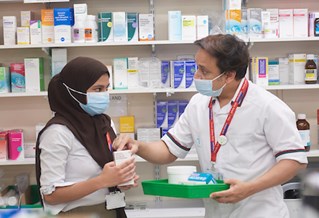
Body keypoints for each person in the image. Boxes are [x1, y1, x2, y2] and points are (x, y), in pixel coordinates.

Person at [113, 34, 308, 218]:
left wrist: (250, 188)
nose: (196, 76)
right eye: (197, 67)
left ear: (229, 75)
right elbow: (168, 150)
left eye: (204, 71)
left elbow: (294, 160)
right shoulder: (199, 103)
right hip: (216, 211)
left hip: (260, 212)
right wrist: (138, 146)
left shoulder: (268, 106)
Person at [35, 57, 138, 218]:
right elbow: (51, 195)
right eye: (97, 89)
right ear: (73, 91)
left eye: (106, 88)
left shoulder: (104, 122)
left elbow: (106, 171)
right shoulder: (58, 132)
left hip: (111, 209)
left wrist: (121, 179)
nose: (104, 95)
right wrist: (102, 181)